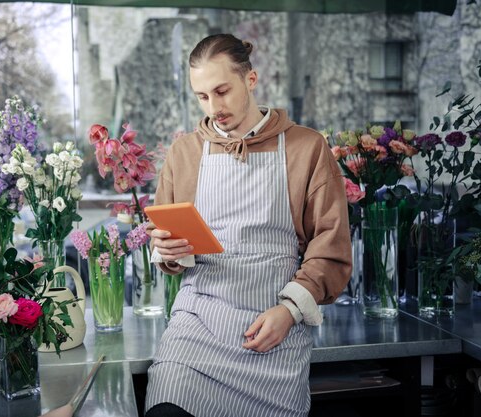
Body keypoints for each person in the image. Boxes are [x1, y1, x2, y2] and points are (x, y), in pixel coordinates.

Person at [145, 34, 352, 417]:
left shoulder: (306, 147)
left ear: (251, 80)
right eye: (202, 96)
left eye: (222, 91)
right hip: (197, 327)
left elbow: (331, 246)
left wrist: (290, 311)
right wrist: (168, 251)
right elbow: (169, 247)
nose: (214, 107)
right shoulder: (184, 152)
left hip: (273, 328)